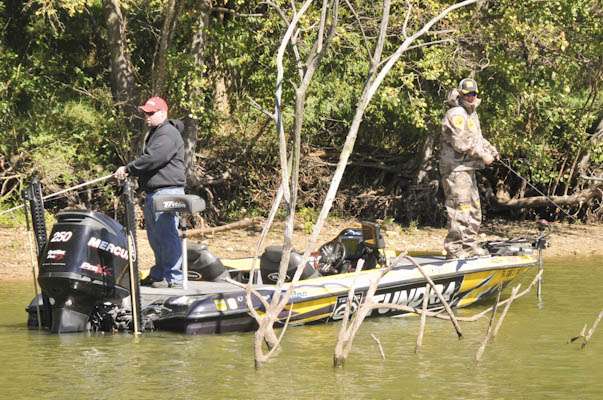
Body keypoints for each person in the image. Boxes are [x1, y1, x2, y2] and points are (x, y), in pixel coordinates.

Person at [114, 96, 186, 288]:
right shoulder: (156, 133)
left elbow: (153, 158)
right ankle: (160, 274)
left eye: (151, 113)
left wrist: (128, 169)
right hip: (155, 193)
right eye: (145, 112)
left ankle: (174, 278)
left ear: (163, 113)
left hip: (168, 191)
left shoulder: (168, 133)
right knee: (155, 236)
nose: (146, 116)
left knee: (167, 234)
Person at [439, 78, 498, 259]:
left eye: (474, 94)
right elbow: (461, 142)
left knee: (474, 209)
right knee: (460, 209)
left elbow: (477, 138)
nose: (471, 97)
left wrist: (491, 150)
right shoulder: (456, 113)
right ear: (461, 94)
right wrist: (483, 155)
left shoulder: (472, 114)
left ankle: (469, 246)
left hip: (468, 169)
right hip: (456, 169)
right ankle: (455, 250)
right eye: (467, 94)